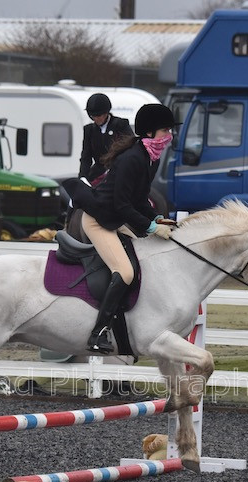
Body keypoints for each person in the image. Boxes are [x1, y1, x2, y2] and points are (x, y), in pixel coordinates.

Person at [67, 103, 178, 354]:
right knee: (125, 272)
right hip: (98, 220)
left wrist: (156, 219)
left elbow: (139, 199)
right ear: (149, 133)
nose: (168, 136)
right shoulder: (132, 159)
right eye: (165, 130)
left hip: (115, 218)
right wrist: (149, 226)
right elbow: (122, 203)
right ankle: (98, 333)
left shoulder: (150, 159)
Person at [79, 93, 134, 184]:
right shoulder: (89, 130)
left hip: (119, 171)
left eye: (99, 116)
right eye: (93, 116)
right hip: (98, 173)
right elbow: (86, 157)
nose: (96, 119)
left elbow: (130, 148)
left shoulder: (120, 125)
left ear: (106, 113)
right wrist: (82, 178)